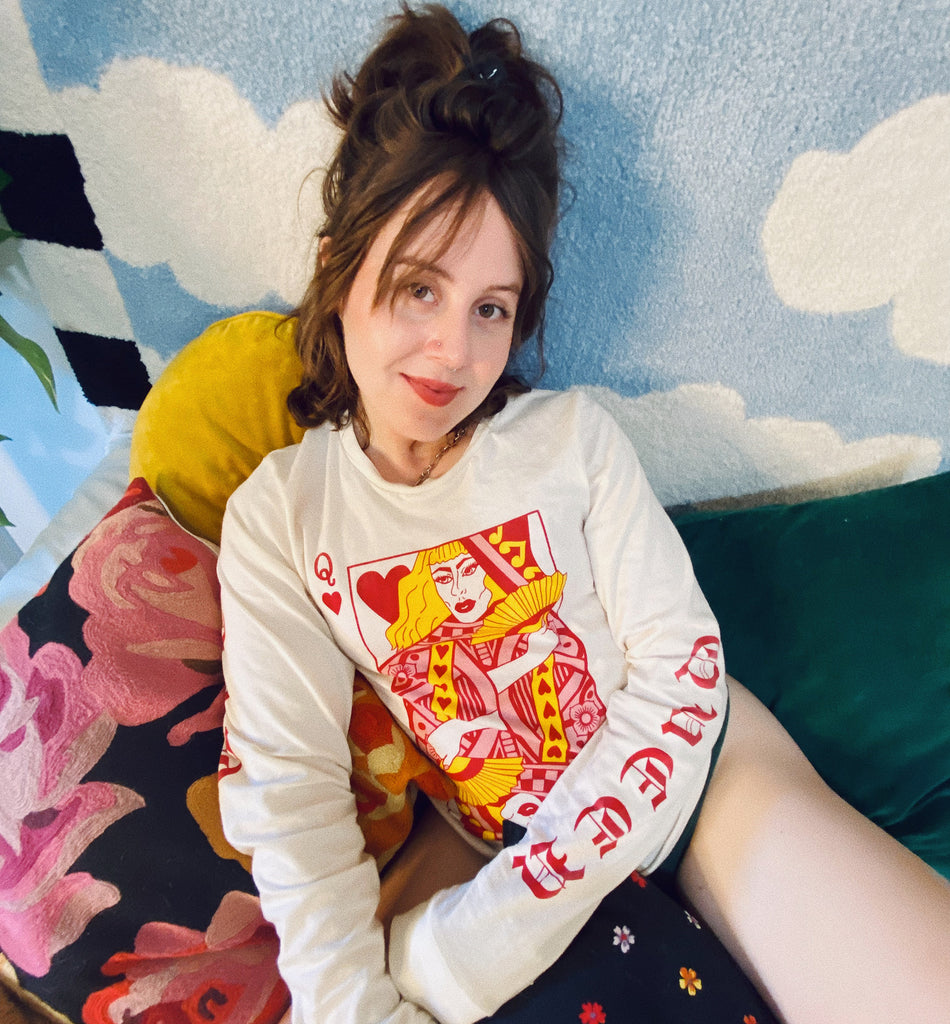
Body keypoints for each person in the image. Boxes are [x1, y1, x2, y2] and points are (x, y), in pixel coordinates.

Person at [216, 5, 950, 1024]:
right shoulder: (282, 519)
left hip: (696, 786)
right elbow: (292, 795)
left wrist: (498, 927)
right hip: (484, 842)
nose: (451, 354)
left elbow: (681, 675)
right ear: (341, 267)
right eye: (418, 288)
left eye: (490, 308)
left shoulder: (570, 442)